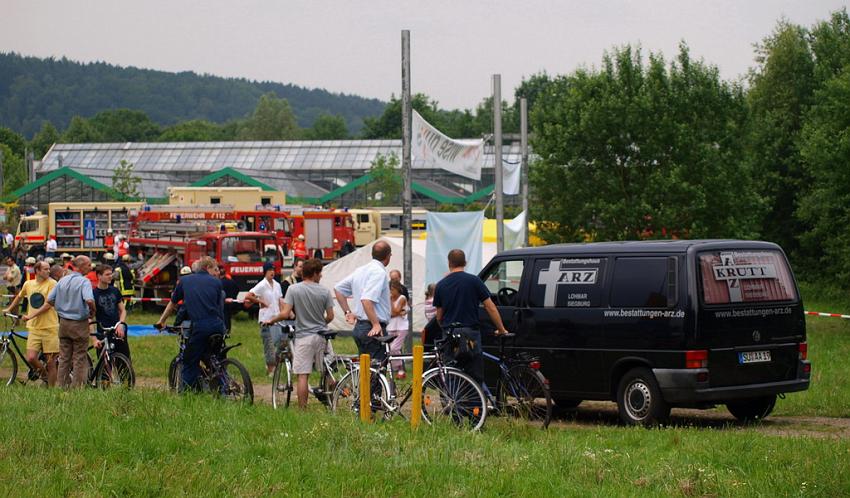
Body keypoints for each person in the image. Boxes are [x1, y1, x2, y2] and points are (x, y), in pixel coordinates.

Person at [264, 259, 334, 408]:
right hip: (322, 335)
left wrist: (271, 320)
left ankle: (303, 409)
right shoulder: (325, 291)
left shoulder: (294, 289)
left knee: (303, 375)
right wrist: (321, 323)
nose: (321, 276)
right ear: (314, 273)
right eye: (320, 273)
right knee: (328, 370)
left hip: (304, 337)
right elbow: (330, 316)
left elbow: (285, 313)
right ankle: (331, 401)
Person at [433, 249, 509, 384]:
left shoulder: (441, 285)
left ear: (449, 263)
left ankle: (455, 402)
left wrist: (445, 329)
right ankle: (475, 403)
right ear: (465, 262)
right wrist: (501, 329)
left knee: (452, 370)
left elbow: (439, 316)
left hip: (450, 334)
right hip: (470, 333)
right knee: (474, 372)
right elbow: (490, 307)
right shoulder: (474, 281)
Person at [155, 257, 225, 391]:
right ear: (207, 268)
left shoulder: (185, 281)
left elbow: (172, 304)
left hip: (200, 326)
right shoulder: (216, 283)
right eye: (214, 268)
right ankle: (221, 388)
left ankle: (185, 393)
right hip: (218, 326)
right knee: (214, 359)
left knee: (189, 360)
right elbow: (218, 307)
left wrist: (161, 321)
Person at [28, 255, 96, 388]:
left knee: (64, 357)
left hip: (64, 323)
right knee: (79, 357)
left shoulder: (62, 281)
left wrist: (62, 307)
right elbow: (89, 299)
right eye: (88, 265)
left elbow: (50, 300)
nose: (90, 267)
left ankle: (62, 387)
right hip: (79, 323)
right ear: (81, 266)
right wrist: (92, 311)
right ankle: (77, 388)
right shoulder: (84, 282)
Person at [3, 261, 59, 386]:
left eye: (49, 269)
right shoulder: (28, 284)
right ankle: (44, 376)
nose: (48, 271)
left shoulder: (52, 283)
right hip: (34, 328)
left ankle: (52, 390)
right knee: (31, 358)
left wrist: (30, 316)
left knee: (51, 362)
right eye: (45, 269)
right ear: (37, 271)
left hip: (50, 327)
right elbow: (19, 296)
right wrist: (9, 308)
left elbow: (48, 304)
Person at [334, 240, 391, 361]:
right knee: (376, 370)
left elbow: (338, 289)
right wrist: (375, 324)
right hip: (371, 328)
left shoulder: (361, 270)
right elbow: (366, 300)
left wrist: (347, 312)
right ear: (388, 256)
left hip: (360, 327)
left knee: (365, 370)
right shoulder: (379, 272)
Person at [244, 262, 284, 376]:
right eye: (270, 270)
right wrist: (260, 301)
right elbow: (248, 296)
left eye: (273, 270)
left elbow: (280, 300)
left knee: (280, 343)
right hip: (266, 318)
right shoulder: (261, 285)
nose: (272, 272)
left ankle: (273, 364)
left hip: (276, 318)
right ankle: (271, 369)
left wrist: (283, 312)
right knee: (269, 344)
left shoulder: (277, 284)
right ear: (265, 272)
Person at [92, 264, 130, 359]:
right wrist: (94, 339)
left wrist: (120, 324)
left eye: (111, 274)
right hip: (103, 331)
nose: (110, 276)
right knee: (105, 363)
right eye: (107, 274)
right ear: (99, 276)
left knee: (124, 359)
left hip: (117, 330)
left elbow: (123, 310)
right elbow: (90, 318)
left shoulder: (115, 291)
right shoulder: (93, 294)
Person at [387, 280, 409, 379]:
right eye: (389, 290)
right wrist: (396, 313)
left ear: (397, 289)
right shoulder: (388, 298)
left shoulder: (402, 298)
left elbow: (395, 311)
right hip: (391, 326)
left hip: (401, 327)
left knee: (394, 348)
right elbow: (388, 313)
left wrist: (391, 302)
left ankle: (397, 367)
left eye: (392, 290)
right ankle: (400, 369)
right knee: (392, 350)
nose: (391, 292)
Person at [219, 266, 240, 334]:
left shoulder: (219, 283)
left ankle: (225, 330)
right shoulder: (231, 281)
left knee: (224, 316)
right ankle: (228, 330)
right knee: (228, 317)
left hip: (223, 302)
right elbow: (237, 289)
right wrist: (233, 296)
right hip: (231, 302)